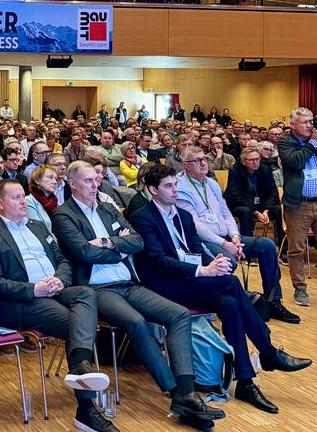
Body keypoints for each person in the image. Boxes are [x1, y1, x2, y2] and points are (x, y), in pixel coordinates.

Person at [53, 161, 225, 428]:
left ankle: (187, 389)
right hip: (98, 289)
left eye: (96, 180)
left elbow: (137, 242)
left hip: (128, 282)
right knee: (136, 323)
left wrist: (109, 243)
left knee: (178, 315)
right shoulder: (63, 215)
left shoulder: (108, 208)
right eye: (88, 181)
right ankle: (176, 394)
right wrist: (119, 248)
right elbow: (83, 252)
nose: (95, 184)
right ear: (72, 184)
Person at [130, 164, 312, 415]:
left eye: (175, 184)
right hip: (164, 286)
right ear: (153, 190)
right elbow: (159, 260)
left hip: (189, 281)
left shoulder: (183, 215)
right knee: (231, 283)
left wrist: (212, 264)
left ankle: (246, 381)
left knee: (230, 302)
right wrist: (203, 271)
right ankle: (268, 351)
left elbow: (195, 248)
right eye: (168, 186)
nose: (175, 190)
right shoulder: (142, 217)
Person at [0, 179, 115, 432]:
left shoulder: (38, 226)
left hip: (54, 290)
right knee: (78, 322)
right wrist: (33, 289)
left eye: (23, 196)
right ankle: (86, 410)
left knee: (85, 293)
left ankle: (81, 367)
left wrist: (60, 279)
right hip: (24, 302)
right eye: (16, 197)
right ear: (0, 204)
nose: (23, 202)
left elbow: (62, 259)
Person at [176, 146, 298, 324]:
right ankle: (232, 305)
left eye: (204, 159)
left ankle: (273, 301)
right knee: (229, 262)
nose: (204, 163)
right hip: (202, 242)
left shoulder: (211, 183)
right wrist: (225, 245)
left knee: (266, 246)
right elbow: (195, 225)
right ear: (187, 165)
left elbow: (226, 213)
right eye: (198, 160)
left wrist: (235, 237)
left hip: (226, 238)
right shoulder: (181, 187)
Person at [278, 107, 317, 306]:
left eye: (311, 121)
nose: (310, 125)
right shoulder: (286, 141)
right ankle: (300, 289)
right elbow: (296, 161)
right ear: (293, 125)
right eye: (305, 122)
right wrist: (312, 144)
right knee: (297, 249)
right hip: (298, 204)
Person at [225, 148, 287, 259]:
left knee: (278, 210)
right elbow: (235, 196)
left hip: (262, 206)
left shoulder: (265, 169)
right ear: (244, 161)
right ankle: (249, 251)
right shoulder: (235, 171)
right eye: (252, 160)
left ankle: (283, 250)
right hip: (241, 205)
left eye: (257, 159)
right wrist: (256, 212)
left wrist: (266, 210)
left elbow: (272, 192)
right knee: (245, 211)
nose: (255, 162)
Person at [26, 164, 58, 233]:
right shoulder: (28, 201)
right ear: (37, 180)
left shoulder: (55, 202)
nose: (55, 182)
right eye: (50, 177)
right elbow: (38, 230)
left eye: (55, 178)